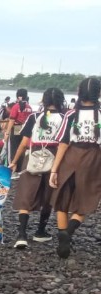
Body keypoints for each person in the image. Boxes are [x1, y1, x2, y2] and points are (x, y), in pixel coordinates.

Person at [49, 77, 101, 259]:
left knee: (62, 198)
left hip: (71, 156)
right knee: (85, 200)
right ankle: (68, 233)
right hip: (93, 158)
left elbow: (63, 143)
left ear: (79, 93)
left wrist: (54, 169)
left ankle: (63, 237)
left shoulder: (71, 115)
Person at [9, 88, 66, 248]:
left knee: (26, 194)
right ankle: (40, 231)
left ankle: (21, 234)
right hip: (54, 158)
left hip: (33, 157)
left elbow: (24, 142)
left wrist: (14, 161)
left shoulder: (34, 117)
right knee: (48, 195)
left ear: (44, 100)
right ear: (61, 101)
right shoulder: (64, 118)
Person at [5, 89, 35, 174]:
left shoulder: (16, 106)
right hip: (25, 129)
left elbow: (12, 120)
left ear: (17, 96)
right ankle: (19, 168)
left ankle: (11, 167)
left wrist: (7, 132)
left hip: (16, 128)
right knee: (21, 149)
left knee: (13, 148)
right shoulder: (29, 107)